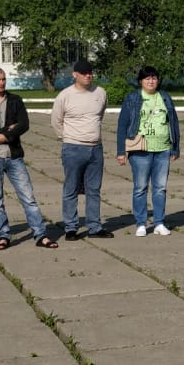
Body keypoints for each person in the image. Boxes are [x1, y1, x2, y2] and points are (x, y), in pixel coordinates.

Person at [0, 66, 57, 250]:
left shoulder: (15, 100)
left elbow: (24, 124)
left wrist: (5, 136)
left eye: (3, 79)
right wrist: (9, 129)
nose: (1, 83)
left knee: (28, 197)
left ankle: (40, 234)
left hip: (14, 156)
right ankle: (3, 235)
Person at [116, 65, 181, 237]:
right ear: (141, 81)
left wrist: (175, 148)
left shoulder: (165, 97)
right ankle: (141, 223)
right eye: (147, 78)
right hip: (140, 150)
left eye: (154, 78)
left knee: (160, 188)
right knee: (140, 187)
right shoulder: (133, 98)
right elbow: (122, 124)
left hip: (163, 149)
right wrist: (121, 151)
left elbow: (173, 123)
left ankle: (159, 222)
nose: (151, 81)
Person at [51, 59, 110, 240]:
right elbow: (56, 121)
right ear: (74, 74)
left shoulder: (100, 93)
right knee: (71, 188)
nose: (88, 76)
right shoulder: (65, 96)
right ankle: (70, 227)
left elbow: (99, 115)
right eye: (84, 73)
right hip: (73, 148)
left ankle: (94, 227)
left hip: (96, 148)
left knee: (94, 189)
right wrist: (68, 138)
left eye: (90, 72)